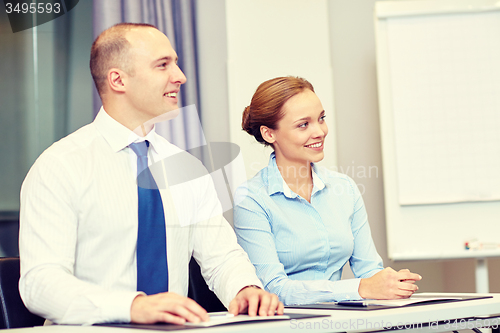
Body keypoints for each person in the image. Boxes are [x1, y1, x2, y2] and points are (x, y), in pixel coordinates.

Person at [19, 23, 283, 326]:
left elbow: (221, 256)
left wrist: (245, 288)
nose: (180, 76)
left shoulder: (188, 167)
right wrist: (132, 307)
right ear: (118, 79)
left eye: (176, 63)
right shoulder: (60, 166)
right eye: (163, 65)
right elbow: (39, 284)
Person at [233, 76, 422, 305]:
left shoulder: (345, 188)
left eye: (321, 119)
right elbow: (274, 289)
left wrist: (391, 284)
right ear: (269, 134)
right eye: (303, 124)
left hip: (340, 321)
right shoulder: (252, 199)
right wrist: (360, 288)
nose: (320, 132)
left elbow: (370, 270)